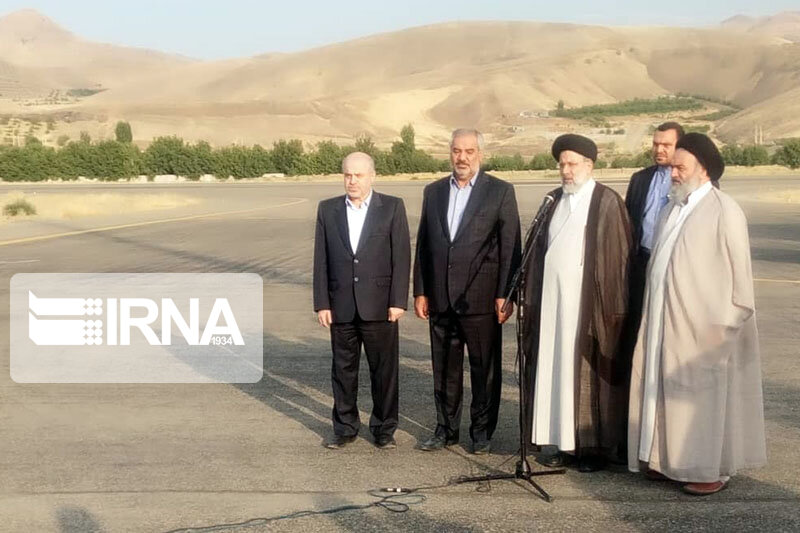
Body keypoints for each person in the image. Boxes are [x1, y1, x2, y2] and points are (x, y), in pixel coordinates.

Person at [628, 133, 766, 495]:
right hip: (665, 322)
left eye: (680, 168)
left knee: (701, 399)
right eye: (673, 167)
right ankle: (664, 461)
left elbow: (739, 277)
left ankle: (709, 470)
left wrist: (724, 325)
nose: (673, 174)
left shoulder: (724, 210)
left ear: (703, 170)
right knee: (661, 390)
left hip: (705, 329)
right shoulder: (672, 208)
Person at [521, 134, 632, 472]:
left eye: (572, 164)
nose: (565, 171)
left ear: (589, 165)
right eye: (562, 164)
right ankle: (558, 441)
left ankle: (589, 448)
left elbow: (618, 260)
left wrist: (608, 312)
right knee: (554, 371)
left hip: (586, 309)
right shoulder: (553, 200)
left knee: (583, 377)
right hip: (552, 307)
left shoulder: (607, 201)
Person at [413, 128, 521, 455]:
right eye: (457, 151)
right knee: (444, 370)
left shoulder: (499, 191)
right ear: (450, 152)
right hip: (441, 298)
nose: (462, 158)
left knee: (484, 368)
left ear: (480, 154)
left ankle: (481, 432)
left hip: (482, 298)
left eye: (469, 151)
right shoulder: (434, 192)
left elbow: (510, 247)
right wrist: (421, 290)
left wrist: (506, 294)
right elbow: (424, 244)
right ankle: (445, 429)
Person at [313, 151, 411, 450]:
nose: (352, 181)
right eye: (347, 175)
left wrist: (398, 300)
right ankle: (345, 428)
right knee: (343, 371)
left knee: (384, 372)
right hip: (341, 305)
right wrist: (322, 303)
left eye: (358, 175)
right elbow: (321, 259)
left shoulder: (391, 207)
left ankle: (384, 429)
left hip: (380, 305)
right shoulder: (328, 209)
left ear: (372, 176)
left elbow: (401, 257)